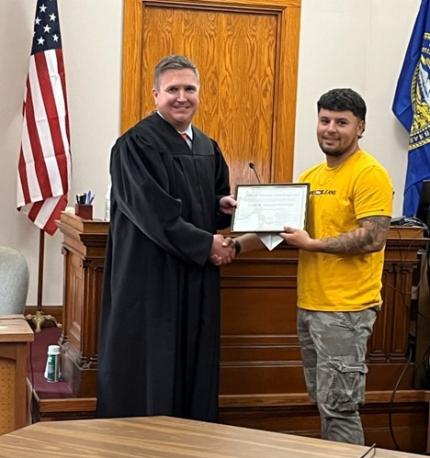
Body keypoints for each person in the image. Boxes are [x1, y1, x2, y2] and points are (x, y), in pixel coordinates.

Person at [229, 88, 393, 445]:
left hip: (346, 311)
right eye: (324, 120)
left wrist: (313, 244)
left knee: (340, 407)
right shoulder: (312, 175)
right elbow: (279, 229)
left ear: (360, 127)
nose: (330, 128)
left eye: (341, 122)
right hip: (311, 307)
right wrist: (235, 246)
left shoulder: (369, 174)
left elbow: (373, 237)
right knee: (323, 401)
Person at [96, 55, 236, 422]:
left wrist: (220, 206)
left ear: (199, 93)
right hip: (150, 279)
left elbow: (209, 200)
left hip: (195, 278)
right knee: (153, 366)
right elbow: (153, 212)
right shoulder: (134, 145)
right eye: (172, 89)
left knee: (193, 363)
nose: (181, 97)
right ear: (155, 94)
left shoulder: (207, 146)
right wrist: (206, 245)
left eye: (189, 88)